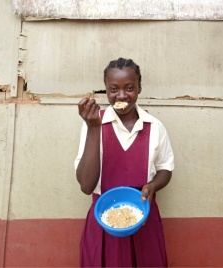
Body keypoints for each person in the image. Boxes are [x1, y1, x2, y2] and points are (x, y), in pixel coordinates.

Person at [74, 57, 174, 267]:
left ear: (139, 88)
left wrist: (153, 186)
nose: (121, 96)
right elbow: (86, 186)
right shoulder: (94, 124)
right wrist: (94, 128)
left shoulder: (155, 126)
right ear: (105, 91)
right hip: (104, 223)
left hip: (144, 222)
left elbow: (165, 168)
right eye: (113, 89)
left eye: (129, 88)